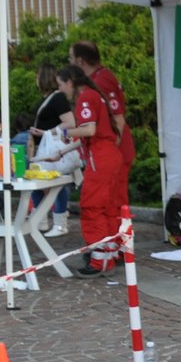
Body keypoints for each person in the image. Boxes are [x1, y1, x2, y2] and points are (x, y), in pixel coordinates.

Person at [52, 64, 126, 276]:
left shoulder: (86, 97)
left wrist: (66, 131)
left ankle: (98, 261)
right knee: (108, 208)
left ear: (70, 82)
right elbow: (96, 133)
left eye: (61, 84)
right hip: (109, 155)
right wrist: (63, 151)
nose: (61, 90)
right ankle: (109, 255)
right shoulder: (95, 95)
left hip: (100, 158)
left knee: (92, 206)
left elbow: (90, 130)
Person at [71, 41, 133, 200]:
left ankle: (122, 226)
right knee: (108, 203)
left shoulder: (102, 80)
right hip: (108, 153)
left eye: (70, 58)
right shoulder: (98, 78)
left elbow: (119, 119)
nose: (69, 63)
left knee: (114, 202)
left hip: (112, 153)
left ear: (80, 61)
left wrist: (109, 153)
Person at [28, 64, 74, 237]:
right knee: (38, 186)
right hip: (42, 148)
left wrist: (48, 132)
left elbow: (70, 123)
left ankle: (60, 223)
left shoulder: (57, 98)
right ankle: (40, 221)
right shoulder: (49, 98)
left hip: (51, 148)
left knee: (57, 184)